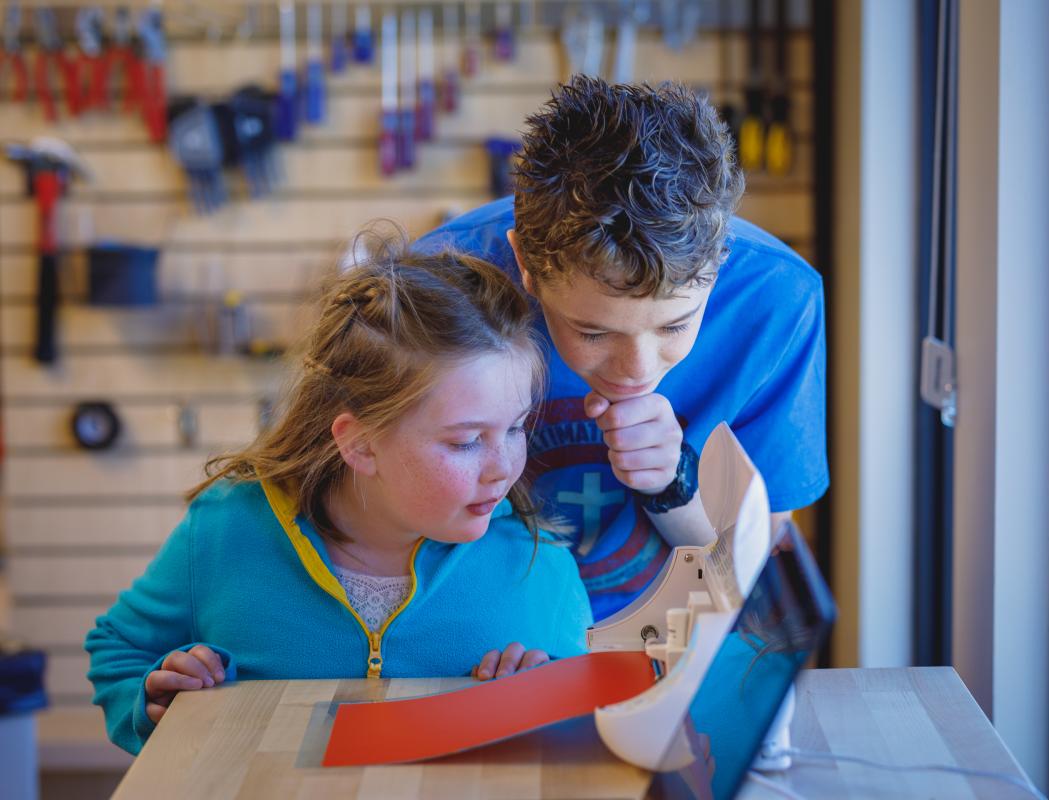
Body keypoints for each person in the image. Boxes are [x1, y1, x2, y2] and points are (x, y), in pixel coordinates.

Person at [85, 236, 592, 755]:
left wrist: (548, 700)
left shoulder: (536, 565)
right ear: (359, 444)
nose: (505, 467)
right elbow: (118, 650)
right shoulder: (225, 529)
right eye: (465, 441)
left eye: (515, 428)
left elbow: (582, 716)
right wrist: (154, 698)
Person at [417, 76, 828, 621]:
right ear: (525, 267)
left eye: (675, 326)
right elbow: (382, 523)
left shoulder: (778, 300)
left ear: (721, 258)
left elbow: (752, 568)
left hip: (675, 638)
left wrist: (675, 484)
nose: (636, 371)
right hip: (474, 630)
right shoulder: (438, 284)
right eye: (592, 332)